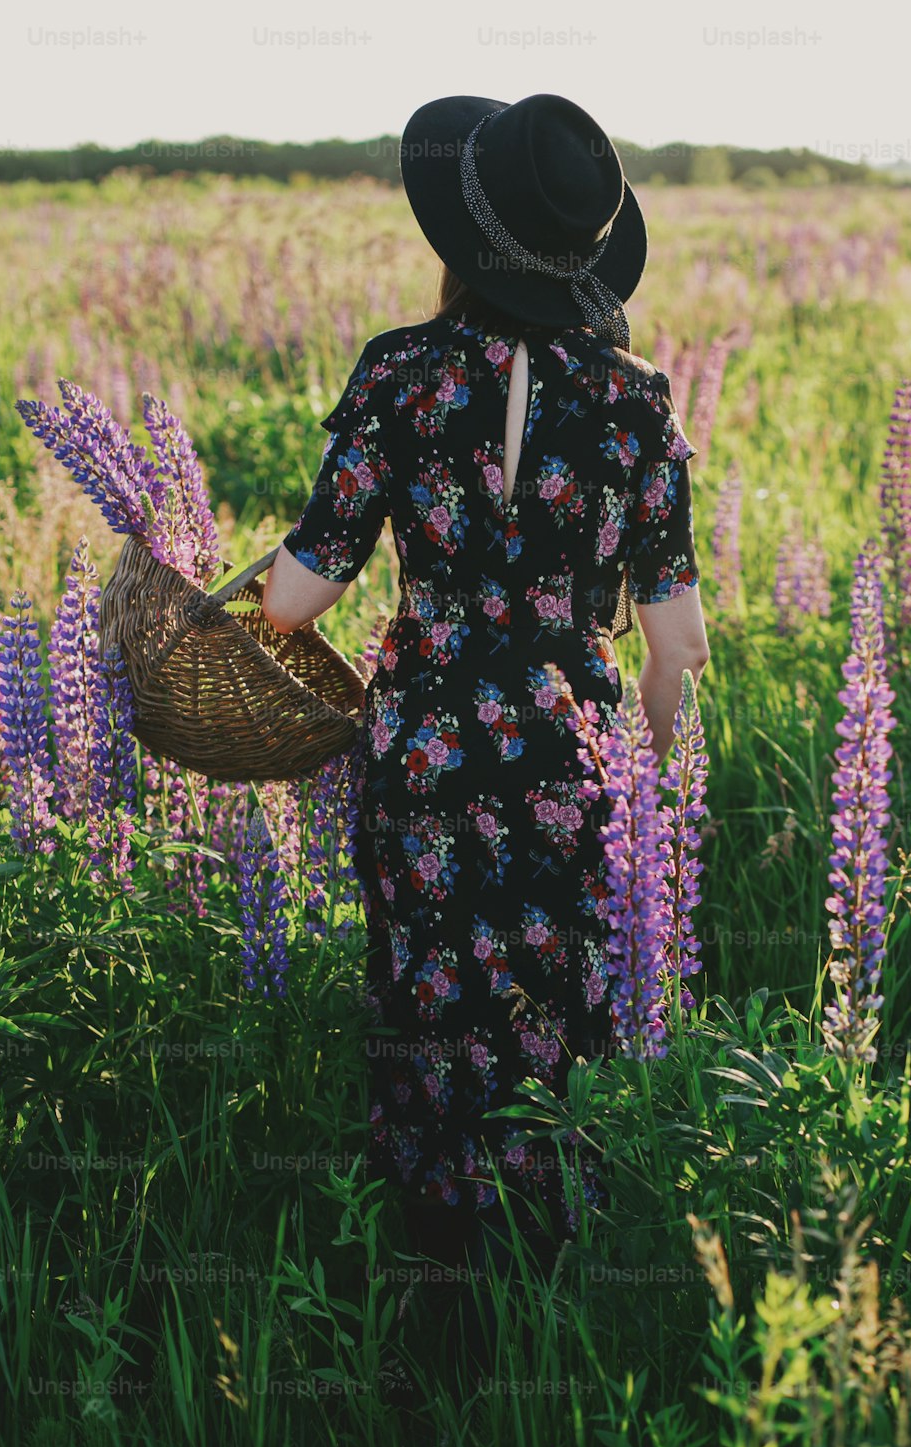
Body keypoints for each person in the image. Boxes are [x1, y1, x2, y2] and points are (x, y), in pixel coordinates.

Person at [261, 91, 710, 1369]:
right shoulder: (638, 401)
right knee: (566, 1016)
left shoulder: (402, 371)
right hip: (579, 765)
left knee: (427, 1006)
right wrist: (654, 789)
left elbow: (298, 595)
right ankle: (550, 1293)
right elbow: (676, 649)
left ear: (460, 238)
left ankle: (431, 1299)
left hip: (426, 757)